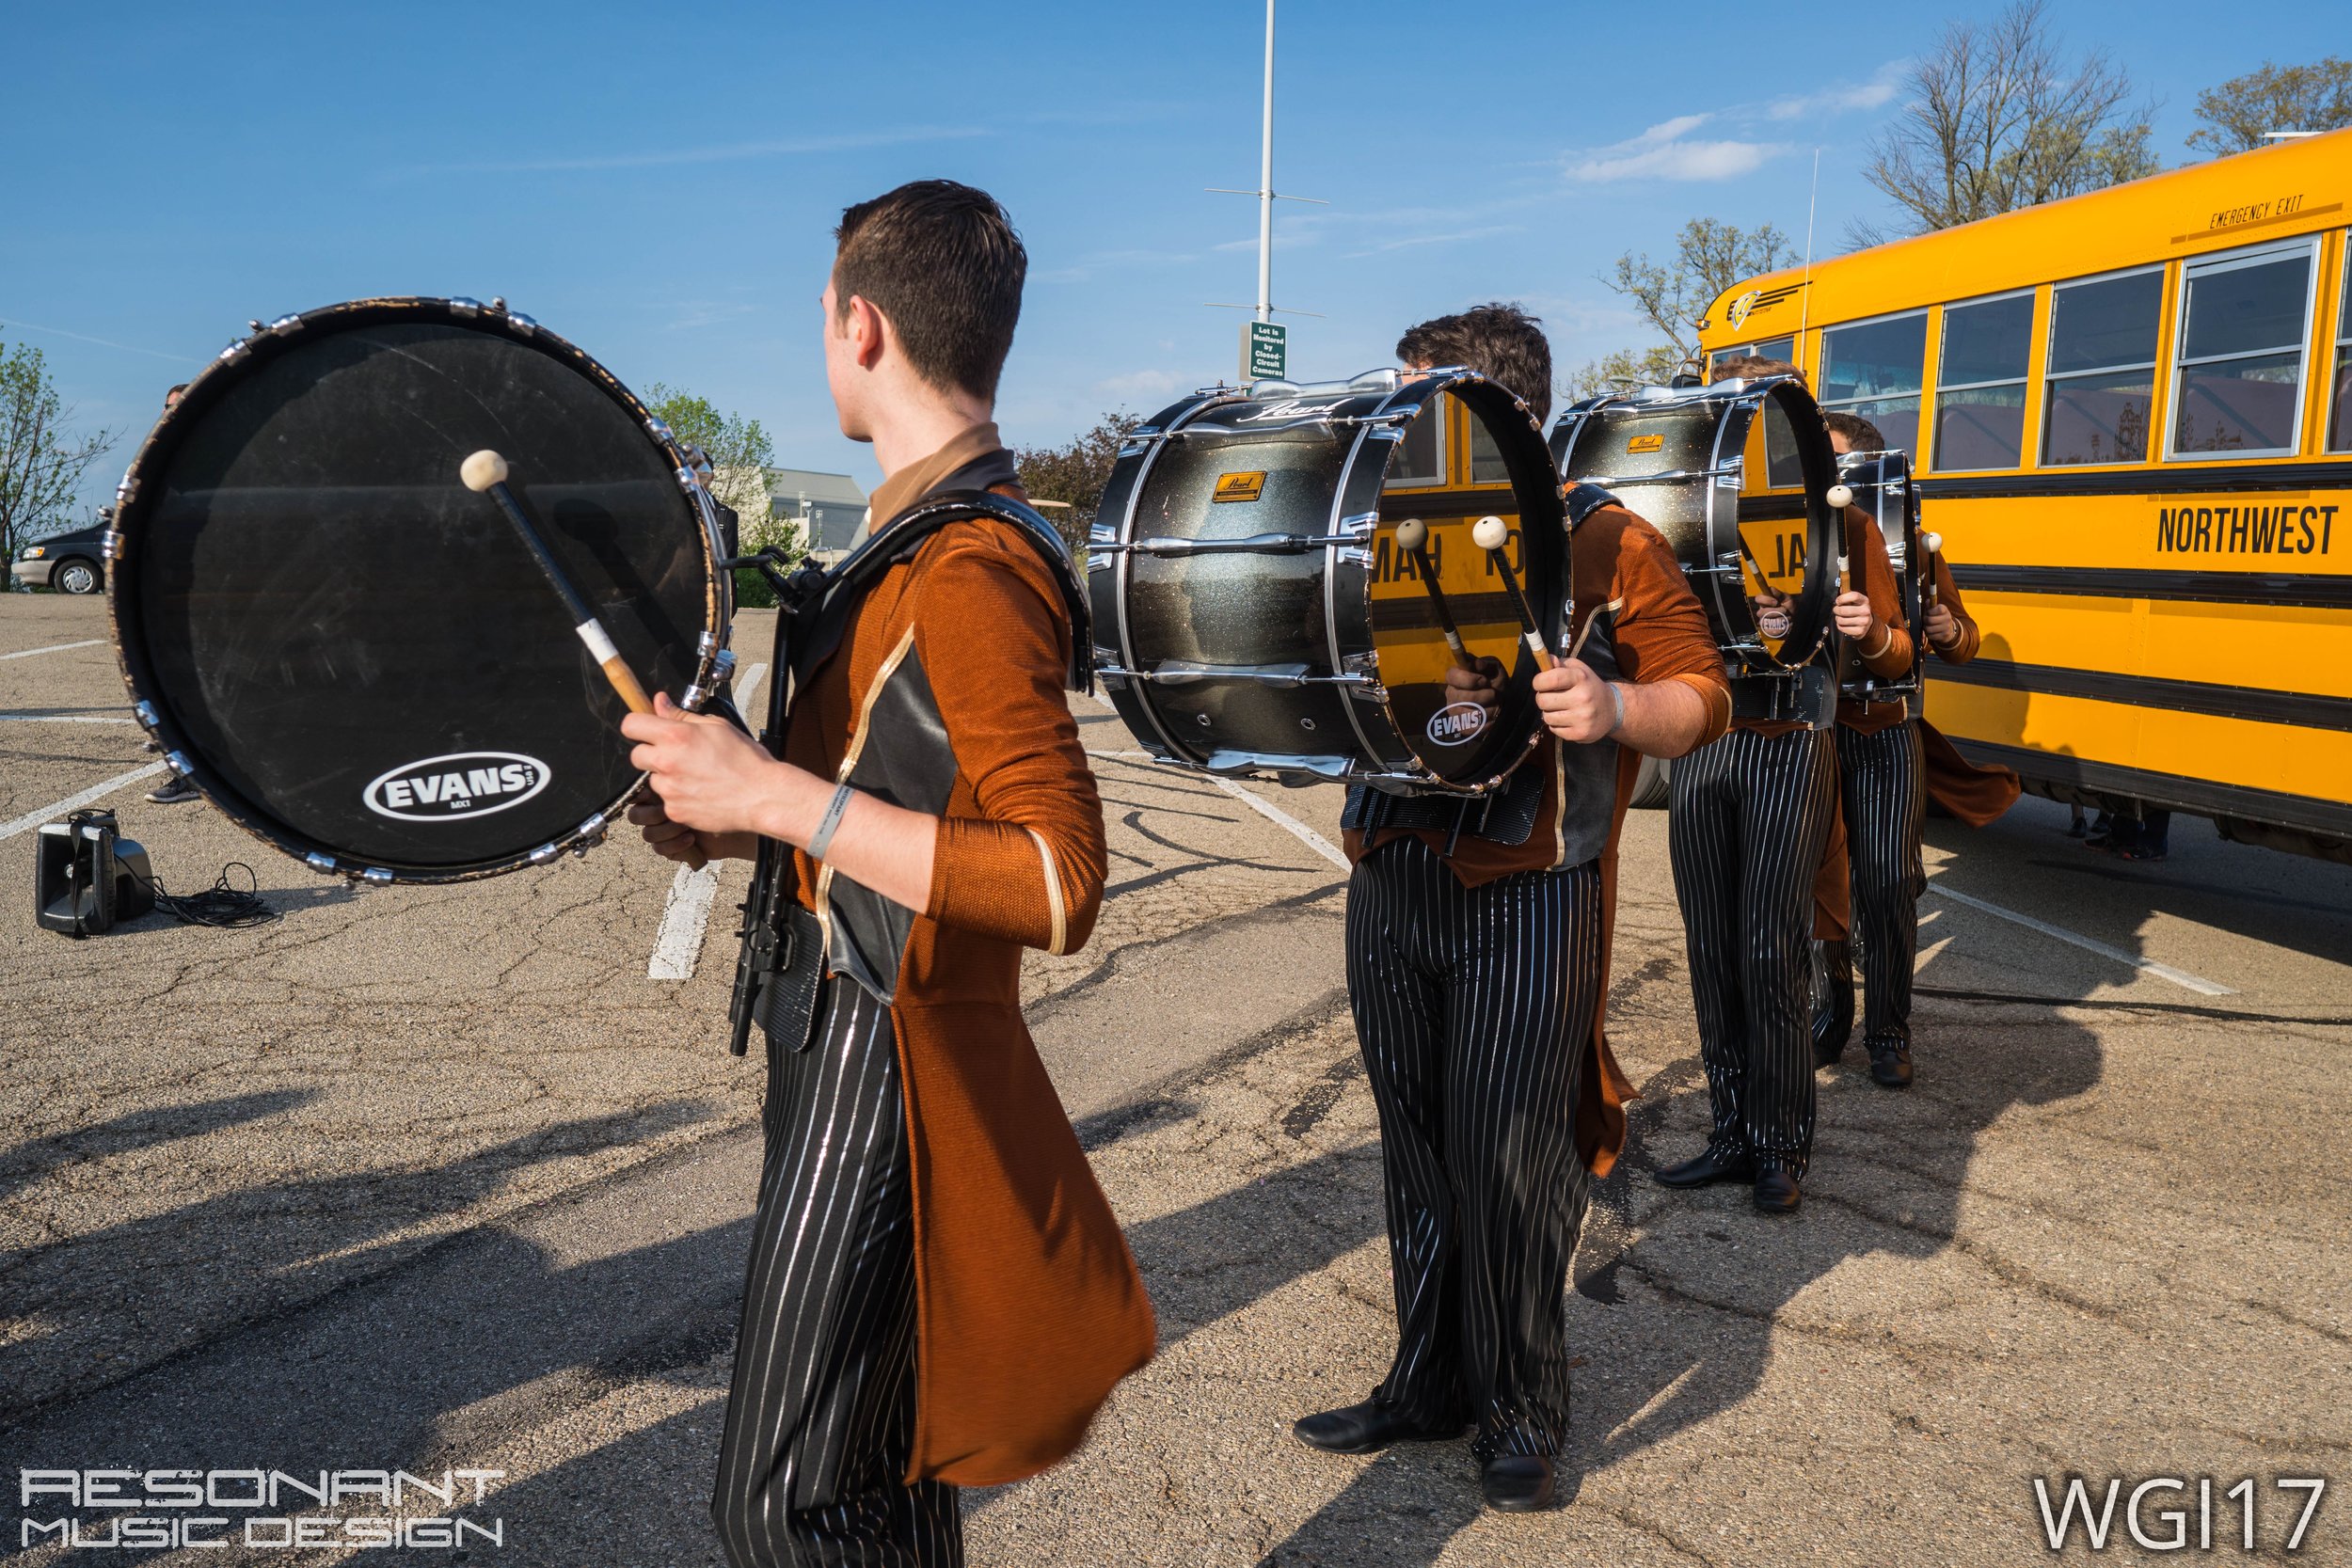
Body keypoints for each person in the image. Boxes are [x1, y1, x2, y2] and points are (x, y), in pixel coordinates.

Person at [623, 181, 1154, 1567]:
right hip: (837, 1032)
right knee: (881, 1476)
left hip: (888, 1058)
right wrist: (730, 814)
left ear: (858, 323)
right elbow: (885, 793)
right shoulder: (909, 542)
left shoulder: (971, 564)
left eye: (822, 318)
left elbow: (1057, 878)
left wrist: (780, 792)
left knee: (787, 1501)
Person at [1293, 303, 1729, 1513]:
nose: (1391, 423)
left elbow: (1704, 689)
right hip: (1392, 875)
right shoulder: (1374, 524)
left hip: (1530, 888)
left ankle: (1522, 1409)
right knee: (1418, 1146)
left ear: (1497, 414)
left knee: (1512, 1160)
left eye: (1413, 399)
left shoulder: (1602, 537)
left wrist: (1617, 709)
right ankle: (1427, 1381)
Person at [1653, 356, 1911, 1215]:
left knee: (1769, 951)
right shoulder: (1683, 514)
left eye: (1763, 408)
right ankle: (1729, 1128)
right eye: (1734, 408)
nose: (1747, 422)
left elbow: (1898, 654)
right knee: (1710, 949)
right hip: (1705, 742)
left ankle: (1780, 1145)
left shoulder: (1849, 523)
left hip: (1791, 741)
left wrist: (1865, 629)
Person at [1807, 410, 1991, 1088]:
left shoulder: (1913, 543)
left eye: (1832, 463)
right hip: (1816, 733)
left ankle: (1888, 1029)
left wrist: (1948, 626)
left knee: (1886, 885)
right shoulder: (1792, 536)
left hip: (1887, 730)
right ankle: (1831, 1011)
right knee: (1818, 883)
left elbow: (1966, 638)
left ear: (1867, 474)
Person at [147, 384, 204, 806]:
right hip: (168, 593)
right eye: (167, 407)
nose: (171, 413)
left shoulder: (207, 452)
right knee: (170, 687)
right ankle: (184, 776)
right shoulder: (155, 459)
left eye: (178, 406)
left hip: (206, 592)